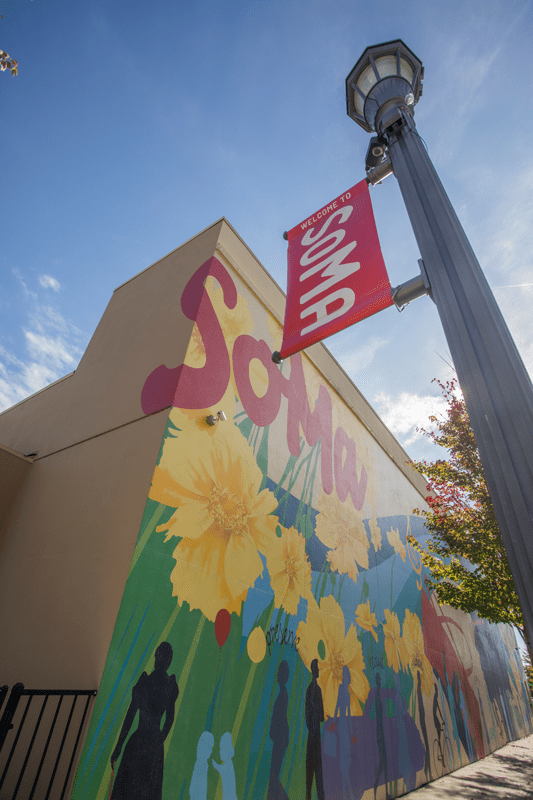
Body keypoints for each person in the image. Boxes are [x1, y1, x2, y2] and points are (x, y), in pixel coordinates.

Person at [110, 641, 179, 800]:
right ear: (168, 661)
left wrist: (119, 747)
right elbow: (169, 720)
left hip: (138, 742)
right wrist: (159, 739)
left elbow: (130, 717)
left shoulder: (145, 682)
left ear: (157, 657)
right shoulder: (170, 686)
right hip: (154, 747)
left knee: (127, 790)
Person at [268, 661, 290, 800]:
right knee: (273, 774)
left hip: (279, 740)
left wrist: (276, 733)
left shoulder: (283, 695)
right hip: (280, 739)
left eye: (280, 673)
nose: (277, 675)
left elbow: (280, 717)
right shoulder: (283, 694)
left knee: (274, 774)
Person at [334, 665, 355, 800]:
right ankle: (348, 793)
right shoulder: (342, 689)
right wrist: (334, 724)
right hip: (342, 726)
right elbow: (337, 707)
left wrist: (352, 733)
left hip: (346, 727)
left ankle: (347, 792)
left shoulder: (347, 692)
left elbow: (348, 714)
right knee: (344, 757)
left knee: (346, 758)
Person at [305, 659, 325, 800]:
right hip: (315, 735)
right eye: (316, 668)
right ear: (314, 670)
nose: (318, 670)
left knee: (310, 771)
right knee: (317, 770)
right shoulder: (317, 690)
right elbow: (322, 716)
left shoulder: (309, 690)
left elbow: (307, 714)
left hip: (311, 734)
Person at [212, 732, 237, 800]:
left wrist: (214, 764)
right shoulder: (228, 763)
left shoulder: (228, 764)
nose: (220, 752)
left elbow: (222, 770)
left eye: (221, 749)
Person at [190, 731, 215, 800]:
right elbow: (194, 788)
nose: (211, 751)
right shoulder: (200, 764)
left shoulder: (203, 764)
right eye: (210, 748)